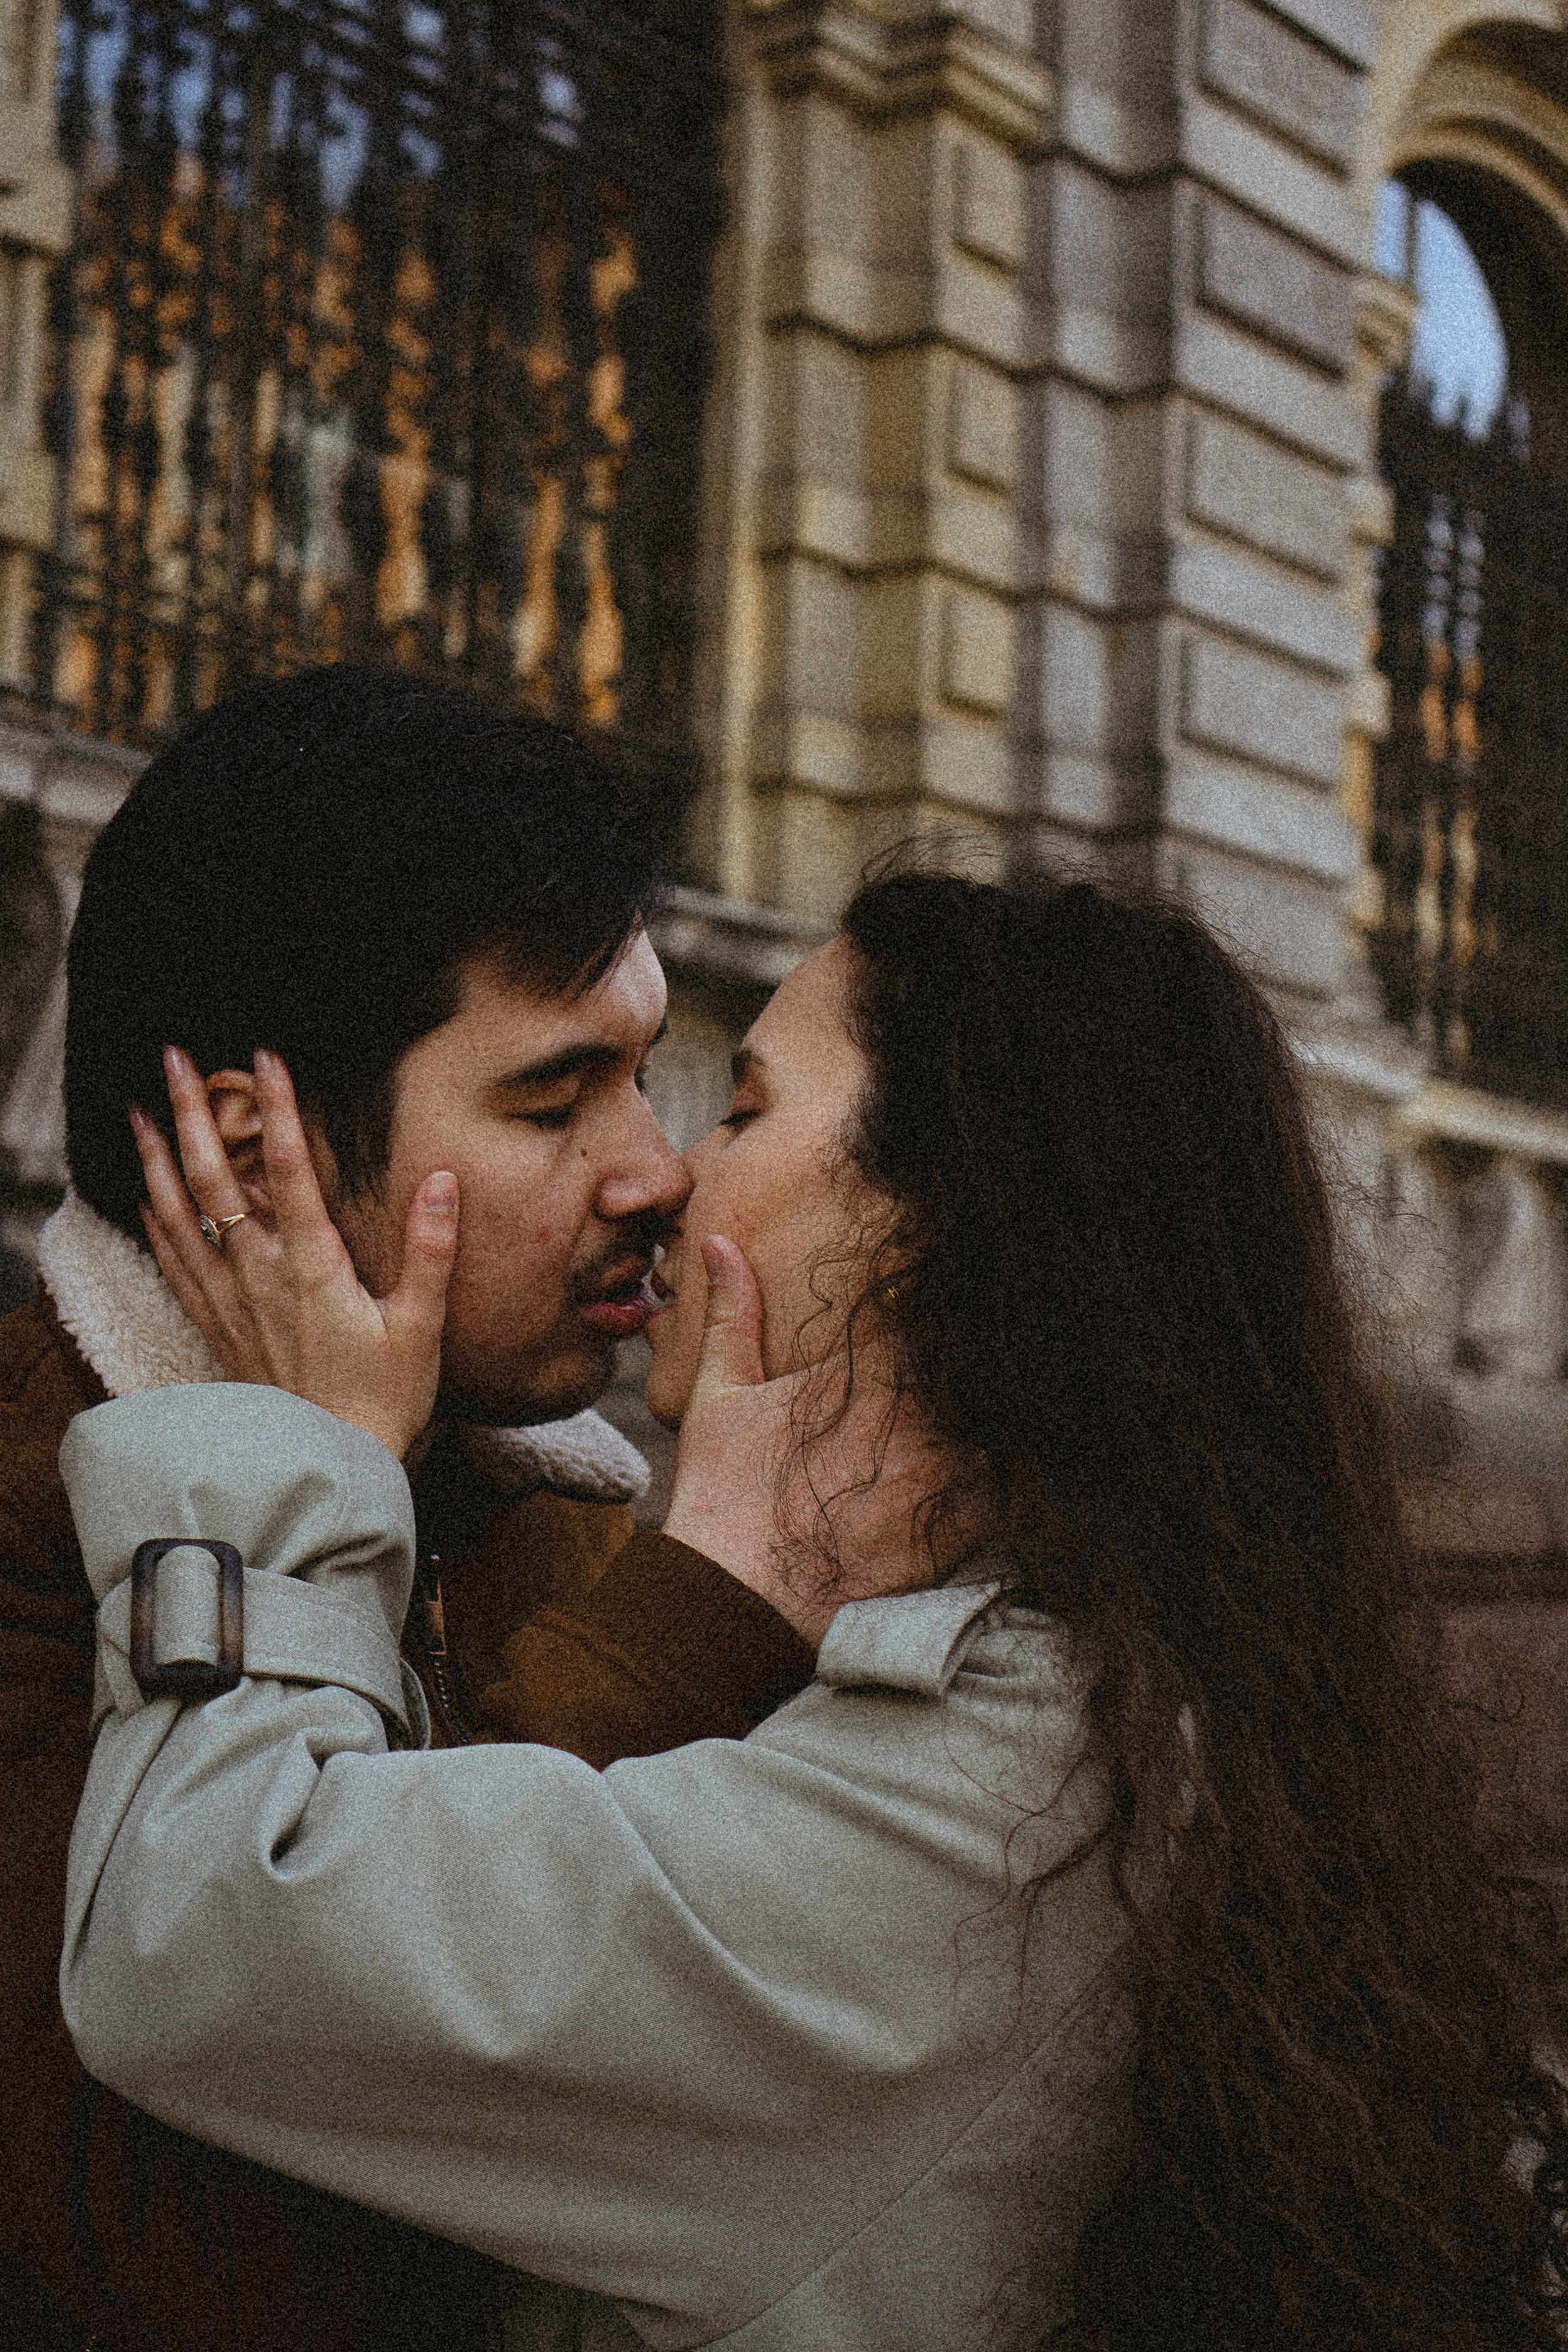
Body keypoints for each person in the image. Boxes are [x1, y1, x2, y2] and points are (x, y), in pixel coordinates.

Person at [61, 867, 1568, 2351]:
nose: (666, 1174)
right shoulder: (1112, 1689)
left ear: (927, 1221)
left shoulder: (1000, 1803)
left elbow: (200, 1937)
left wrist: (293, 1445)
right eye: (563, 1099)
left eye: (743, 1106)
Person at [0, 666, 813, 2352]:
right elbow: (242, 2270)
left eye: (654, 1076)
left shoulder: (557, 1529)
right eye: (552, 1097)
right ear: (248, 1155)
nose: (655, 1171)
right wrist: (688, 1619)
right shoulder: (24, 1535)